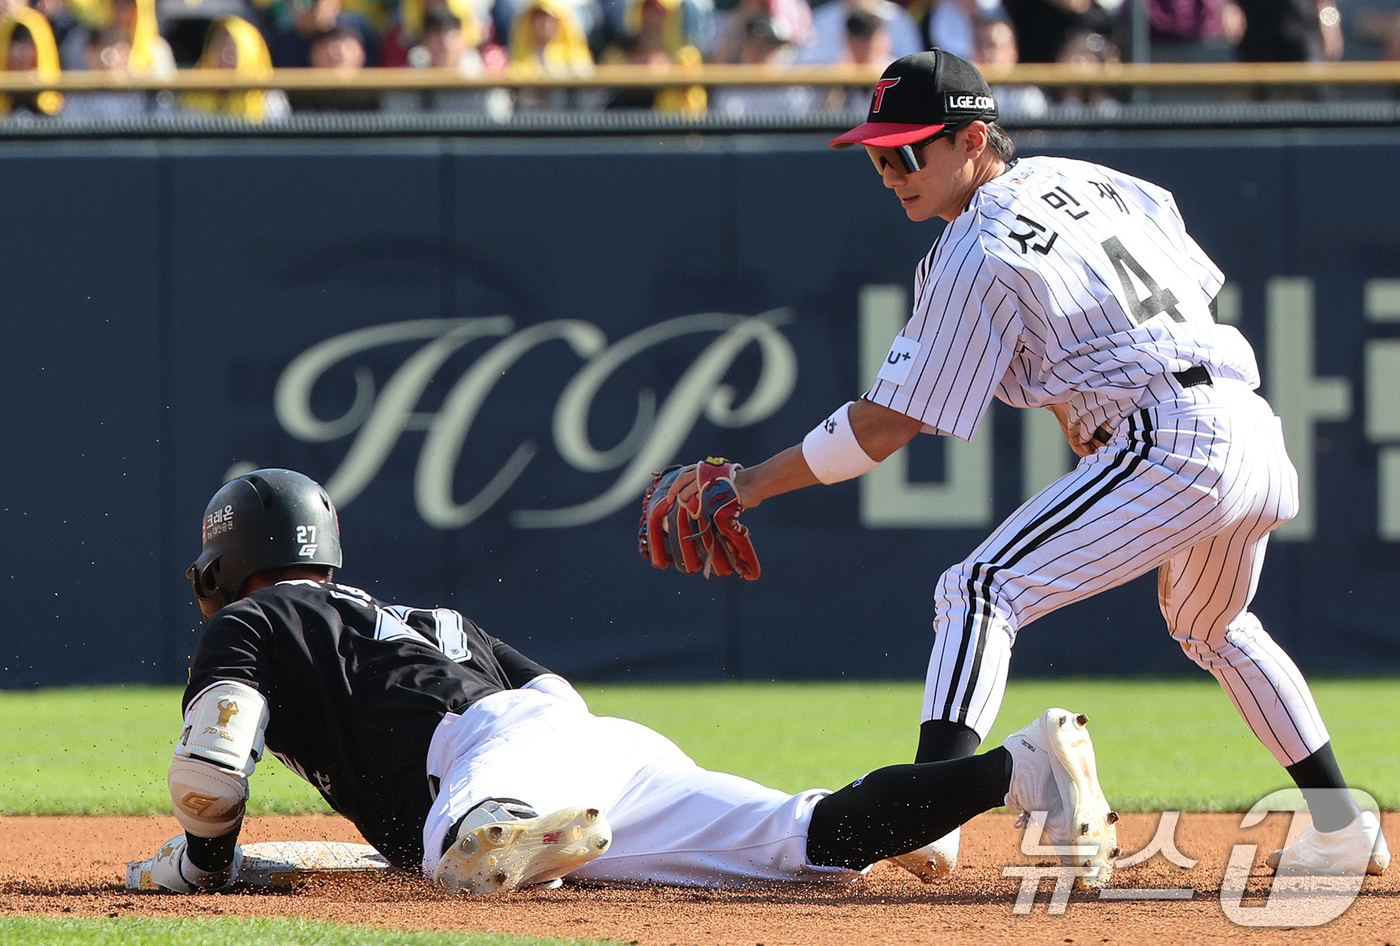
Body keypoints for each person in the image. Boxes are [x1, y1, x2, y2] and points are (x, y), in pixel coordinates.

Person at [664, 49, 1392, 882]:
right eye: (877, 156)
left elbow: (885, 425)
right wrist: (1086, 401)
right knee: (1212, 627)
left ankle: (927, 809)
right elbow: (1177, 289)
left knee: (978, 589)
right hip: (1250, 430)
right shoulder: (1099, 180)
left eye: (908, 152)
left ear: (974, 138)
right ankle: (1341, 824)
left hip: (1175, 439)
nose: (891, 172)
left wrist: (750, 482)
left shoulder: (976, 245)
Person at [138, 468, 1117, 895]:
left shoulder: (257, 618)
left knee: (463, 856)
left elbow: (213, 772)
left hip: (489, 756)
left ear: (229, 564)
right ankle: (1016, 771)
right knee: (807, 837)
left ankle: (513, 829)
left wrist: (204, 864)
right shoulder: (418, 617)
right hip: (592, 743)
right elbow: (550, 697)